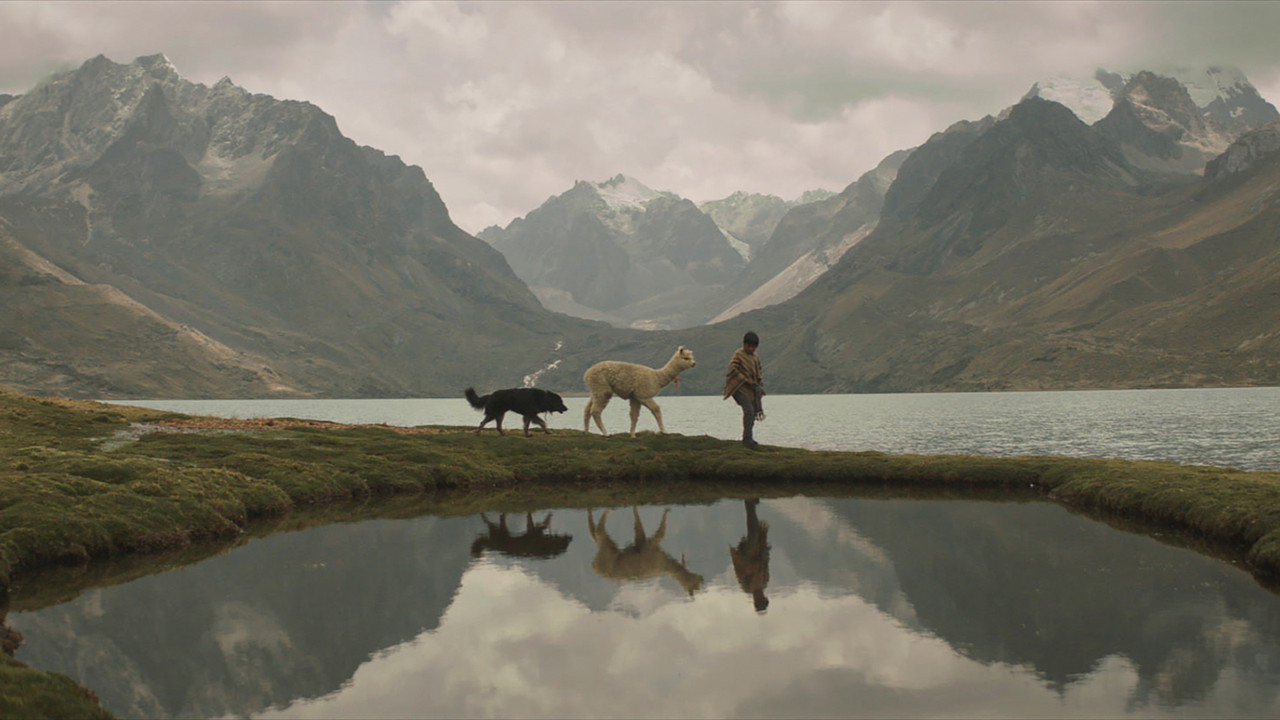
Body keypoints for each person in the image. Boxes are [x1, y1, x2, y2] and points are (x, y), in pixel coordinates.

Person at [723, 330, 765, 448]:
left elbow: (758, 371)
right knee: (749, 411)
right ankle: (747, 438)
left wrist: (758, 384)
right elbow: (732, 369)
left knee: (752, 412)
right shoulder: (739, 354)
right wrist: (745, 379)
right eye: (749, 346)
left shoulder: (755, 357)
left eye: (753, 347)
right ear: (744, 344)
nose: (750, 349)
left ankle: (749, 437)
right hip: (738, 387)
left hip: (751, 389)